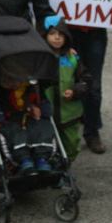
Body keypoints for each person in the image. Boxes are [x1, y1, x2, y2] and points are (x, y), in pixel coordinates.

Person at [60, 0, 110, 153]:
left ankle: (92, 131)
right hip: (66, 32)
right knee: (64, 79)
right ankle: (63, 129)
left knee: (93, 83)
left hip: (94, 32)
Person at [0, 64, 56, 176]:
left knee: (43, 127)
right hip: (10, 119)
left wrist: (38, 108)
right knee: (15, 133)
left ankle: (42, 159)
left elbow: (44, 106)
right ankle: (24, 160)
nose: (12, 83)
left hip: (31, 118)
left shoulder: (33, 88)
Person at [41, 14, 90, 160]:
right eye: (52, 34)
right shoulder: (41, 58)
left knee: (71, 145)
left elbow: (86, 80)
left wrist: (75, 91)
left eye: (61, 34)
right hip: (46, 113)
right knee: (47, 146)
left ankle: (66, 166)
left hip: (69, 114)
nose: (57, 38)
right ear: (44, 36)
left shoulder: (72, 58)